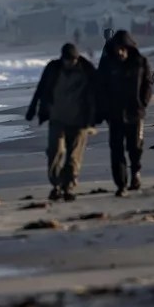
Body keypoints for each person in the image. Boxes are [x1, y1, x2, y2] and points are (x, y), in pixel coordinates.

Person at [26, 43, 97, 202]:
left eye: (72, 60)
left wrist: (96, 116)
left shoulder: (87, 70)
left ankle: (69, 186)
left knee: (73, 157)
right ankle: (56, 185)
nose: (69, 63)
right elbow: (41, 88)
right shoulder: (53, 68)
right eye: (66, 60)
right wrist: (33, 108)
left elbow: (97, 93)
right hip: (57, 118)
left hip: (80, 121)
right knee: (54, 152)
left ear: (77, 58)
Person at [96, 31, 153, 197]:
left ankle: (135, 172)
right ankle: (121, 184)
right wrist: (102, 110)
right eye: (117, 48)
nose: (120, 52)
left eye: (123, 48)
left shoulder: (140, 62)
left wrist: (143, 103)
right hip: (114, 114)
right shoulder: (107, 64)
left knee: (135, 147)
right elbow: (100, 88)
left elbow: (147, 84)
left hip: (135, 113)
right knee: (116, 150)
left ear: (128, 48)